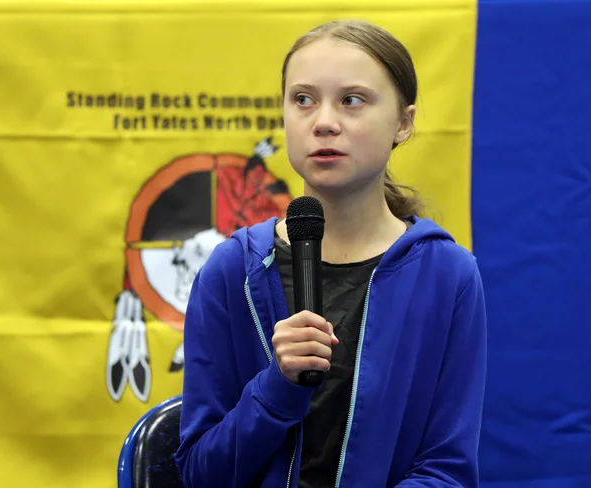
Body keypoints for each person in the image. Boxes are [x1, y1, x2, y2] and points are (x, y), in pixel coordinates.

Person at [174, 19, 487, 488]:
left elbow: (448, 471)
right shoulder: (231, 270)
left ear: (403, 123)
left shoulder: (447, 275)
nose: (323, 121)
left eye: (352, 100)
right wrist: (277, 388)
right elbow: (200, 474)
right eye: (303, 99)